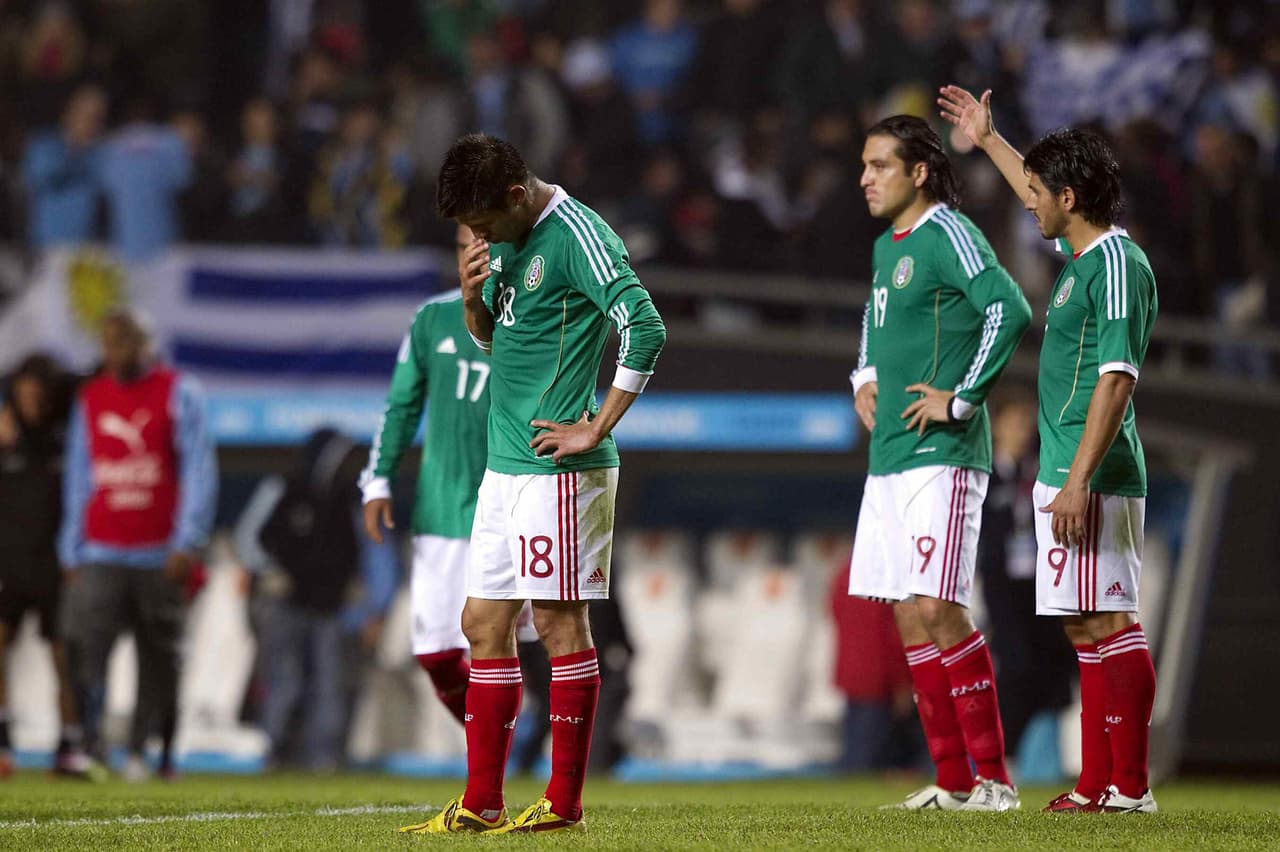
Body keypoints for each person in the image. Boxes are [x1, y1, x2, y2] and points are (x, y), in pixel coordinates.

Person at [399, 133, 665, 834]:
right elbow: (499, 342)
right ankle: (483, 801)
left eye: (484, 225)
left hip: (559, 469)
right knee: (481, 624)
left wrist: (598, 425)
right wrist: (471, 304)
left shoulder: (578, 234)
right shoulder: (505, 237)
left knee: (557, 622)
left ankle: (564, 805)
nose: (480, 238)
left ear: (516, 195)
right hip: (505, 466)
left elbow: (646, 326)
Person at [940, 85, 1160, 813]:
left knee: (1110, 622)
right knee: (1081, 625)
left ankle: (1129, 788)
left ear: (1069, 195)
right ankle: (1097, 784)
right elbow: (1033, 187)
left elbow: (1117, 379)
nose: (1027, 203)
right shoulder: (1079, 256)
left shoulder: (1118, 264)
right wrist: (992, 139)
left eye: (1037, 192)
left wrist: (1078, 479)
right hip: (1064, 469)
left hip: (1094, 473)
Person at [848, 115, 1031, 811]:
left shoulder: (948, 231)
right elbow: (875, 315)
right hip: (890, 453)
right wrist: (863, 373)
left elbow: (1008, 308)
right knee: (906, 615)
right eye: (864, 165)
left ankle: (996, 779)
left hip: (943, 454)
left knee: (938, 605)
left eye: (879, 165)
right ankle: (953, 781)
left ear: (918, 172)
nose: (865, 177)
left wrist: (961, 401)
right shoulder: (884, 247)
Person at [360, 223, 537, 730]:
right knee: (435, 652)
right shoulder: (432, 319)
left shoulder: (532, 314)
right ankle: (502, 738)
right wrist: (377, 480)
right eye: (466, 247)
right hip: (440, 511)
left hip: (508, 508)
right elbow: (400, 406)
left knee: (503, 644)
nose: (475, 256)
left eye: (486, 243)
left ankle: (521, 756)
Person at [58, 308, 217, 781]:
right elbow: (78, 475)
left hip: (159, 553)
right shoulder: (90, 398)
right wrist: (71, 547)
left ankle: (145, 751)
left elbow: (198, 469)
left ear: (146, 344)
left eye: (125, 342)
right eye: (108, 343)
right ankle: (94, 744)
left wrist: (187, 540)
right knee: (86, 650)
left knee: (159, 659)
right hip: (101, 551)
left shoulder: (178, 391)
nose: (115, 352)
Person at [236, 427, 397, 771]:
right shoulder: (284, 490)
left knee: (329, 684)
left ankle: (323, 757)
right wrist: (270, 573)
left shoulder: (349, 503)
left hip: (331, 608)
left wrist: (369, 610)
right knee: (285, 679)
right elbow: (251, 540)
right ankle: (276, 751)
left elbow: (370, 558)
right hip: (286, 604)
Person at [0, 355, 95, 779]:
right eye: (23, 395)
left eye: (38, 394)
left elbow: (87, 375)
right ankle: (3, 741)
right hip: (10, 563)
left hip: (57, 567)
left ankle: (70, 744)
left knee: (64, 657)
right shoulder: (6, 439)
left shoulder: (67, 439)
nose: (30, 402)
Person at [976, 391, 1075, 764]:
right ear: (997, 427)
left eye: (1026, 423)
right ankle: (1002, 756)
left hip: (1041, 585)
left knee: (1053, 667)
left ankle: (1045, 760)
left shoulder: (1041, 472)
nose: (1022, 430)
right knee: (1014, 665)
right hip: (1002, 586)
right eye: (1014, 422)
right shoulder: (984, 475)